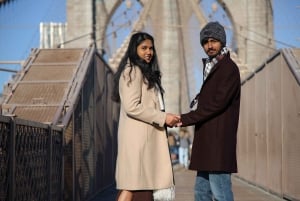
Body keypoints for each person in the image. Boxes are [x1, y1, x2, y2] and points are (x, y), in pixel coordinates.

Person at [177, 21, 241, 201]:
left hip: (217, 143)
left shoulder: (228, 68)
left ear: (222, 41)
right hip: (207, 142)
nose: (209, 45)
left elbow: (217, 104)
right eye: (205, 42)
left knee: (220, 192)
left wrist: (184, 119)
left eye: (213, 40)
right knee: (201, 192)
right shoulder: (213, 67)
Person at [112, 32, 179, 201]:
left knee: (136, 189)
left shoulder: (144, 72)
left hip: (145, 139)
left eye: (151, 48)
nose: (148, 52)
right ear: (134, 50)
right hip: (138, 141)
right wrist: (163, 118)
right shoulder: (132, 71)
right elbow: (131, 106)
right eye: (143, 48)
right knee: (134, 188)